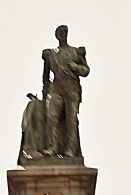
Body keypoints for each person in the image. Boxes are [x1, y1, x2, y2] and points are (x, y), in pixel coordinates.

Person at [40, 25, 90, 159]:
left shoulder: (75, 52)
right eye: (59, 32)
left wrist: (76, 67)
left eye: (64, 32)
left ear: (67, 34)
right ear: (56, 35)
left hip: (72, 86)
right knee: (52, 117)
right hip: (56, 87)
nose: (62, 34)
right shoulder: (51, 54)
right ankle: (52, 147)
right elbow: (45, 76)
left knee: (71, 120)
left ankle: (70, 150)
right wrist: (46, 90)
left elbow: (86, 70)